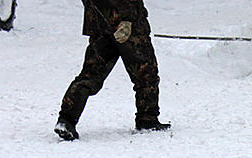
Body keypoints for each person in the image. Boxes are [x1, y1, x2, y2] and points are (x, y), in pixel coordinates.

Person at [55, 0, 169, 140]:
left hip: (99, 23)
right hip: (127, 25)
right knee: (145, 74)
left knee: (90, 75)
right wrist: (127, 18)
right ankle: (147, 120)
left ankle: (66, 120)